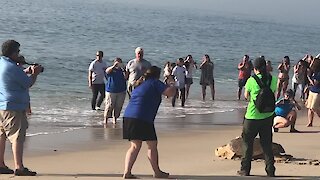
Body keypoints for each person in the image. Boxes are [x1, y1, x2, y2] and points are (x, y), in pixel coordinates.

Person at [122, 66, 176, 179]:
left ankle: (127, 172)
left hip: (128, 117)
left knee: (135, 146)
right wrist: (171, 82)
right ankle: (157, 172)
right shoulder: (154, 82)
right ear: (157, 75)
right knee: (152, 145)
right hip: (142, 118)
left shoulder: (140, 85)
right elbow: (170, 93)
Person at [0, 40, 42, 176]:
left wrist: (24, 70)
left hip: (2, 105)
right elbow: (28, 83)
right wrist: (34, 73)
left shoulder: (3, 63)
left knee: (2, 136)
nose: (19, 54)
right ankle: (19, 167)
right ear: (12, 52)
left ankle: (0, 164)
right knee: (17, 137)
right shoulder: (12, 68)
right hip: (14, 107)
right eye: (17, 52)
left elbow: (12, 78)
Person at [237, 57, 277, 177]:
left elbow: (246, 96)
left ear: (255, 69)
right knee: (267, 144)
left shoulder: (251, 80)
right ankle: (270, 170)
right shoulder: (273, 79)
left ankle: (245, 169)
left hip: (253, 116)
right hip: (268, 116)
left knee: (247, 143)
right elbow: (273, 92)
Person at [104, 57, 127, 125]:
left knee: (118, 106)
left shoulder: (122, 70)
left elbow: (126, 77)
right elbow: (107, 71)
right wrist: (114, 66)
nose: (118, 64)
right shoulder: (111, 70)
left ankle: (115, 119)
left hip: (121, 91)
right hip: (111, 90)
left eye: (119, 62)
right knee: (109, 106)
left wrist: (124, 69)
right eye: (117, 62)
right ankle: (106, 119)